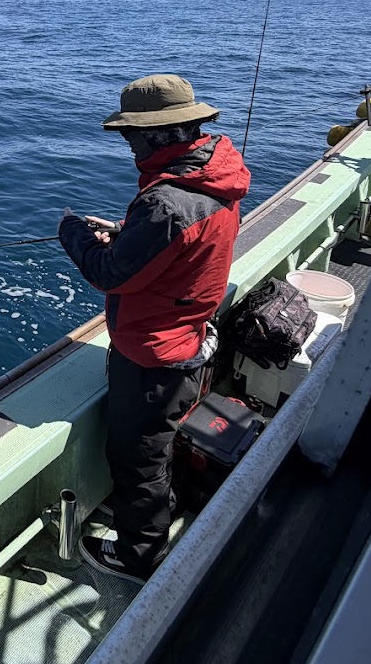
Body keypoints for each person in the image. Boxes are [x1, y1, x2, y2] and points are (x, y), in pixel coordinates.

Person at [57, 74, 251, 582]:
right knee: (159, 446)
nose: (129, 145)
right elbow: (183, 238)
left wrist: (74, 233)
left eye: (131, 136)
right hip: (191, 340)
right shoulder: (216, 172)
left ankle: (140, 558)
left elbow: (108, 273)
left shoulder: (165, 203)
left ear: (157, 135)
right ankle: (163, 513)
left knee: (137, 458)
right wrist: (127, 233)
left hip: (152, 358)